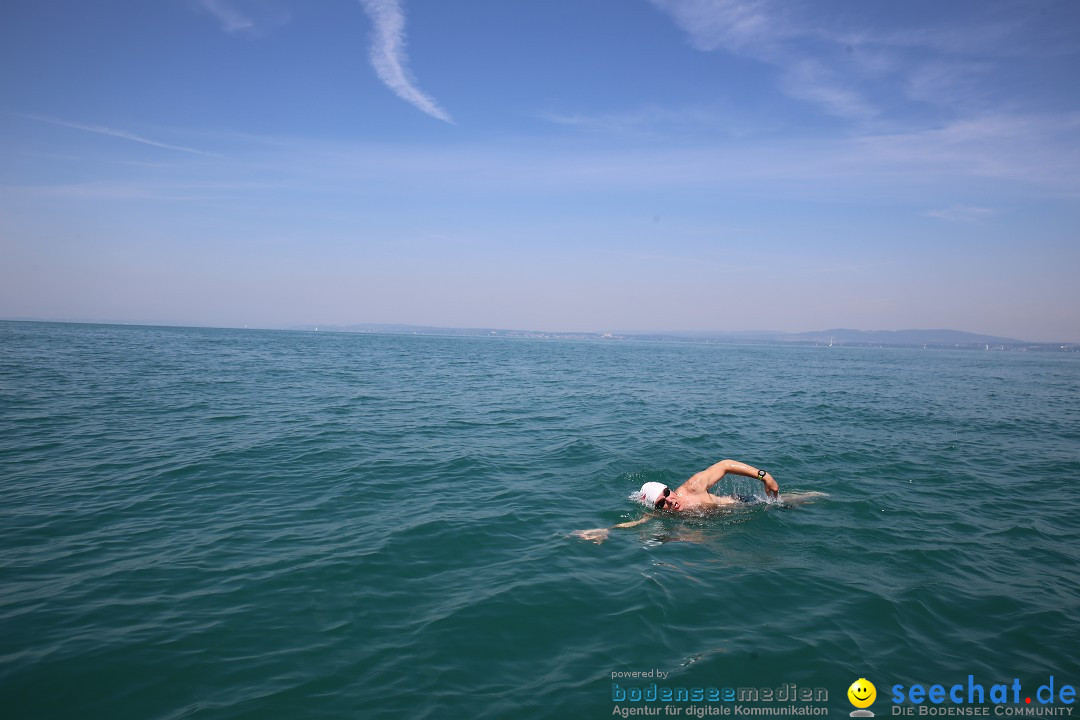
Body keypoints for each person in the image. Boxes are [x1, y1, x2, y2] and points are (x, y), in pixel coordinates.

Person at [572, 458, 780, 543]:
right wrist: (607, 530)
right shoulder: (659, 514)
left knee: (800, 502)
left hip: (748, 503)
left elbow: (724, 465)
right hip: (736, 524)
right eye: (661, 503)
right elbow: (636, 523)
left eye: (667, 493)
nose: (669, 502)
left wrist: (765, 476)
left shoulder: (693, 487)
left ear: (669, 488)